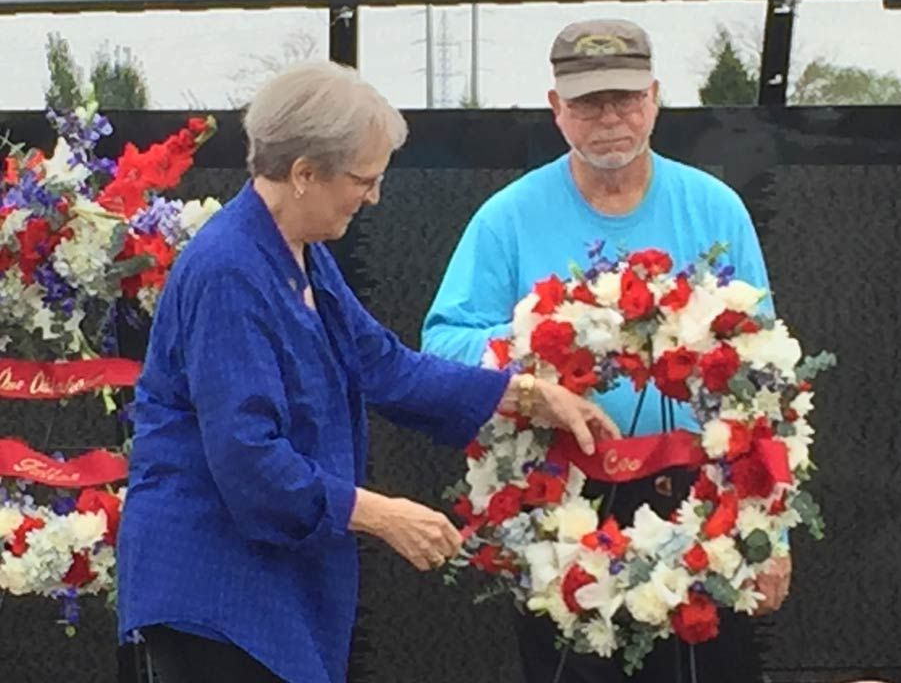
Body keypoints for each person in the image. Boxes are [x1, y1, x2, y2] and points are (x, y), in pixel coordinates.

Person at [115, 61, 618, 683]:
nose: (374, 197)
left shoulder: (301, 252)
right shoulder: (228, 272)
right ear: (304, 174)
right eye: (364, 179)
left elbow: (384, 366)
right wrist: (383, 515)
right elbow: (247, 455)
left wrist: (526, 395)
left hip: (270, 583)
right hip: (215, 589)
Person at [421, 19, 789, 682]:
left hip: (700, 504)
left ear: (655, 98)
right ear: (556, 109)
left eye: (625, 98)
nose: (610, 118)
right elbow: (443, 343)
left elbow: (762, 375)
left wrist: (773, 531)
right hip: (561, 503)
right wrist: (534, 355)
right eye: (589, 103)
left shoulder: (716, 209)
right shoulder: (507, 217)